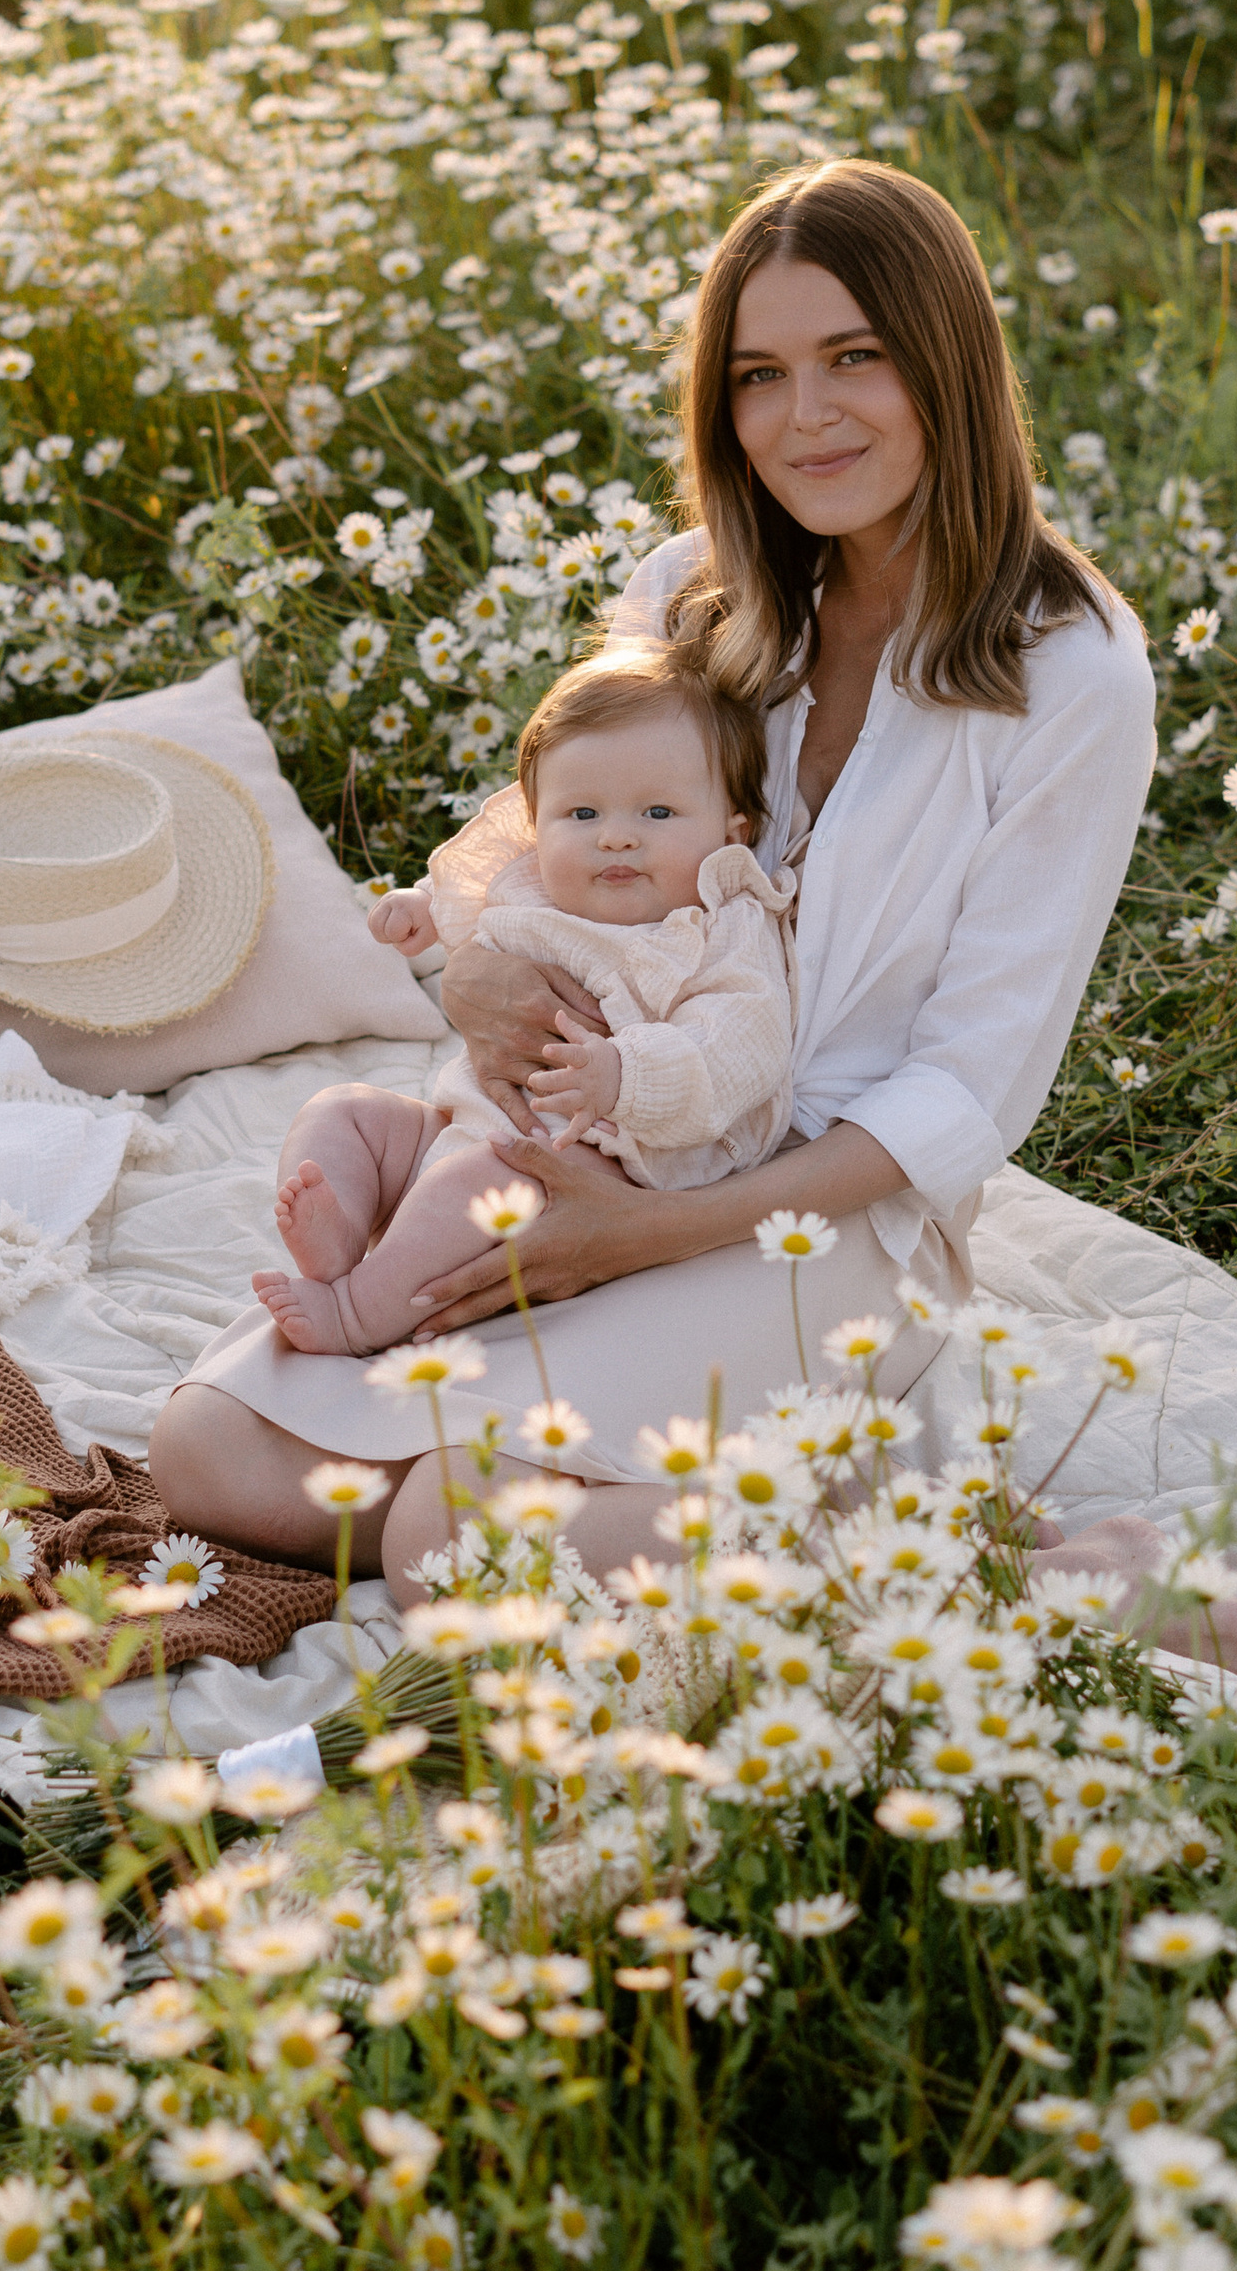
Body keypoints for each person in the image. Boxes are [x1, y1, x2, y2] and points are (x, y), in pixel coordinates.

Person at [147, 156, 1157, 1611]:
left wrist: (632, 1239)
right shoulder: (695, 589)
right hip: (589, 1144)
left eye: (854, 359)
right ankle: (754, 1486)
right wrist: (479, 962)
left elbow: (969, 1091)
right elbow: (551, 826)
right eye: (759, 375)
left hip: (816, 1221)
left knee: (455, 1536)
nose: (805, 417)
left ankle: (962, 1551)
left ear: (948, 362)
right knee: (212, 1458)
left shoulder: (1068, 672)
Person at [251, 646, 794, 1358]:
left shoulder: (721, 929)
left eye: (658, 811)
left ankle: (356, 1312)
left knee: (486, 1179)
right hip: (456, 1126)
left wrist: (627, 1076)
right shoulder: (533, 881)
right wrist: (428, 913)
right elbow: (479, 910)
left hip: (586, 1166)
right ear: (538, 825)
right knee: (347, 1113)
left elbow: (739, 1046)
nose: (616, 834)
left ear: (733, 830)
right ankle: (344, 1229)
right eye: (582, 812)